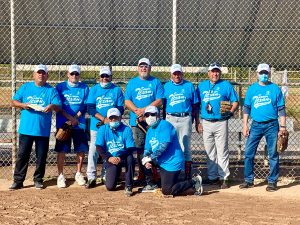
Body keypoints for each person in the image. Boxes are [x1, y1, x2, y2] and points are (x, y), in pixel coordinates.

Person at [9, 64, 61, 190]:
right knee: (22, 155)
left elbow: (58, 106)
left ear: (47, 76)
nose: (41, 75)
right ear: (34, 74)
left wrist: (51, 106)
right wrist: (22, 105)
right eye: (39, 72)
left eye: (43, 73)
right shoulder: (26, 87)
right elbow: (13, 102)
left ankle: (38, 180)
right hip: (26, 129)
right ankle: (18, 181)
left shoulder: (51, 90)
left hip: (42, 130)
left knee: (41, 156)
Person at [239, 63, 286, 192]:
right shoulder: (252, 89)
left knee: (273, 154)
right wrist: (245, 125)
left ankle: (272, 181)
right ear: (257, 74)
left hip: (272, 125)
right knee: (248, 153)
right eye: (261, 73)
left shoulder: (275, 89)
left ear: (269, 74)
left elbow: (281, 109)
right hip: (256, 125)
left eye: (266, 73)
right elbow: (247, 108)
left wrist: (282, 127)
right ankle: (248, 180)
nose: (264, 75)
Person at [141, 106, 203, 196]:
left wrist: (150, 157)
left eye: (152, 114)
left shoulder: (165, 125)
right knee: (142, 158)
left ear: (158, 115)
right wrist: (146, 159)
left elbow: (163, 147)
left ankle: (193, 181)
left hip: (172, 162)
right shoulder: (150, 130)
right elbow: (147, 149)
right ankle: (151, 184)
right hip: (161, 161)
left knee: (167, 191)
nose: (149, 117)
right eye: (147, 115)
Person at [196, 62, 239, 189]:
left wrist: (230, 112)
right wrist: (197, 121)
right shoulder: (202, 86)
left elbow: (235, 101)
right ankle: (212, 177)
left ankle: (224, 177)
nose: (215, 73)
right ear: (208, 73)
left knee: (222, 150)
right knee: (210, 152)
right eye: (213, 71)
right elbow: (195, 104)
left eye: (217, 71)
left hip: (221, 122)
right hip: (206, 122)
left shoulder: (225, 85)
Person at [124, 58, 164, 191]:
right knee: (140, 148)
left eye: (146, 66)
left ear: (150, 68)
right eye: (141, 66)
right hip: (137, 121)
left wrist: (145, 110)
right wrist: (137, 111)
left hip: (152, 121)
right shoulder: (132, 83)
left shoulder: (156, 82)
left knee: (155, 146)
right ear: (137, 68)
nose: (143, 68)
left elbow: (159, 100)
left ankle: (155, 174)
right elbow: (127, 100)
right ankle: (144, 175)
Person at [86, 66, 124, 188]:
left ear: (111, 77)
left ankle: (105, 175)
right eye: (102, 76)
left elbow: (120, 108)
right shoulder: (94, 89)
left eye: (107, 76)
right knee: (94, 150)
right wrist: (103, 119)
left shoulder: (117, 90)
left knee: (108, 150)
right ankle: (91, 176)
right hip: (96, 126)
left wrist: (111, 120)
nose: (104, 78)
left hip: (111, 126)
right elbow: (90, 108)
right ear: (99, 77)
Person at [55, 64, 89, 188]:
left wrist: (75, 118)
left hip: (79, 124)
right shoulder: (60, 87)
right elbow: (58, 106)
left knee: (81, 150)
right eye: (72, 73)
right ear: (67, 74)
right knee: (62, 150)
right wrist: (70, 119)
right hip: (63, 124)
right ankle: (60, 175)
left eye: (77, 74)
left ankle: (79, 173)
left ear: (79, 75)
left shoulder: (84, 88)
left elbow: (85, 106)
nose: (74, 76)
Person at [163, 64, 199, 180]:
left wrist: (196, 120)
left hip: (185, 118)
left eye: (179, 73)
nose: (177, 76)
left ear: (182, 74)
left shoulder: (189, 86)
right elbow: (163, 105)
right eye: (175, 73)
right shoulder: (166, 86)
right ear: (171, 75)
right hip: (170, 118)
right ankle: (174, 172)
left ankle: (186, 174)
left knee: (185, 146)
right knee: (170, 145)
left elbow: (195, 105)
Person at [96, 108, 136, 197]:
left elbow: (130, 148)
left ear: (120, 117)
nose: (113, 120)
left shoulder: (127, 129)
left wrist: (120, 157)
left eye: (116, 117)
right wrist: (109, 158)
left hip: (123, 156)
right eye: (111, 118)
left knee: (130, 158)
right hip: (110, 158)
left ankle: (129, 185)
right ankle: (116, 174)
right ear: (107, 118)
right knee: (110, 187)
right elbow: (99, 147)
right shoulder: (103, 129)